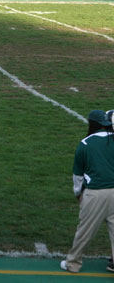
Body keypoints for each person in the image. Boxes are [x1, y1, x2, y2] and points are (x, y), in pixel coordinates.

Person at [61, 110, 114, 274]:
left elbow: (78, 175)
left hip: (95, 193)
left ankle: (73, 263)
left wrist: (78, 193)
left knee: (84, 231)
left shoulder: (85, 143)